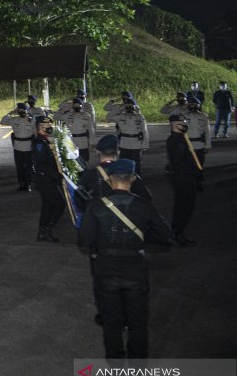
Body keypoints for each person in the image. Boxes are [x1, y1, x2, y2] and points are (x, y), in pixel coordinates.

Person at [80, 159, 174, 359]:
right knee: (138, 323)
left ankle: (115, 369)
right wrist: (141, 243)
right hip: (135, 270)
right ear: (132, 178)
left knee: (111, 324)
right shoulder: (143, 205)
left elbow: (84, 239)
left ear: (110, 180)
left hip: (106, 270)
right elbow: (166, 236)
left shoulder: (96, 206)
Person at [75, 135, 153, 326]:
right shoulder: (129, 174)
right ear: (118, 152)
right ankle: (128, 318)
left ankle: (106, 315)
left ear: (97, 152)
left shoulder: (88, 176)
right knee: (131, 282)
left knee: (102, 283)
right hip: (131, 240)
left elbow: (79, 203)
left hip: (101, 244)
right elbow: (147, 201)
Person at [166, 114, 200, 246]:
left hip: (184, 176)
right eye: (183, 122)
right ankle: (177, 234)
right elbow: (181, 162)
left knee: (185, 205)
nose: (185, 124)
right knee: (184, 207)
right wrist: (192, 172)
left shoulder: (181, 138)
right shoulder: (176, 140)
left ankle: (178, 232)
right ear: (175, 124)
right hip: (183, 177)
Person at [32, 116, 66, 242]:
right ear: (38, 128)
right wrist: (56, 175)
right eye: (44, 126)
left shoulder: (48, 140)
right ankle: (46, 229)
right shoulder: (40, 143)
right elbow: (41, 164)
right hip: (44, 179)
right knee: (59, 203)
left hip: (48, 178)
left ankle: (43, 231)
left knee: (48, 204)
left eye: (48, 126)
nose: (47, 128)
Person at [105, 98, 149, 173]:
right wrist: (119, 108)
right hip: (124, 143)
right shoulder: (121, 116)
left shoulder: (140, 117)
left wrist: (145, 145)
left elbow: (144, 131)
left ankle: (136, 179)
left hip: (136, 143)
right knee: (124, 163)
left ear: (135, 107)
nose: (129, 108)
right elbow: (108, 117)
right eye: (127, 106)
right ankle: (124, 179)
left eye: (131, 106)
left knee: (136, 164)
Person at [0, 103, 35, 191]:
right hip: (18, 147)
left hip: (28, 146)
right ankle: (22, 183)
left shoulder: (32, 120)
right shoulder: (14, 120)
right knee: (19, 166)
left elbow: (36, 133)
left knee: (29, 166)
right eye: (19, 110)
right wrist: (11, 113)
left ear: (27, 111)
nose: (21, 112)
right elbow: (2, 121)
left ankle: (29, 183)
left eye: (23, 110)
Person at [55, 98, 96, 163]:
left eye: (78, 105)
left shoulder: (86, 116)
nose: (77, 106)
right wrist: (63, 106)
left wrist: (92, 143)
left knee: (84, 160)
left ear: (81, 106)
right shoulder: (68, 115)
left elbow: (91, 130)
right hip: (71, 141)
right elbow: (56, 117)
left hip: (83, 142)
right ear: (72, 106)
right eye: (75, 105)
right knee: (73, 162)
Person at [184, 97, 211, 192]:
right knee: (188, 165)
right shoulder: (184, 115)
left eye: (196, 104)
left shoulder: (203, 116)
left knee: (199, 165)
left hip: (199, 145)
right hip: (188, 145)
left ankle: (199, 182)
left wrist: (207, 145)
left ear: (199, 106)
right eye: (191, 104)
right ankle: (189, 183)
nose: (193, 106)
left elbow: (207, 132)